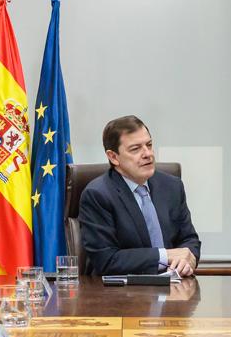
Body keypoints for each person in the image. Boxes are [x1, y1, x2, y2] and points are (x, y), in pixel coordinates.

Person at [79, 115, 201, 276]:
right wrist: (165, 256)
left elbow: (189, 239)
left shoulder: (172, 186)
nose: (147, 154)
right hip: (123, 290)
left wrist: (188, 258)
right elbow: (107, 260)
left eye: (149, 145)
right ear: (113, 157)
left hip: (174, 284)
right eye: (135, 149)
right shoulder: (98, 195)